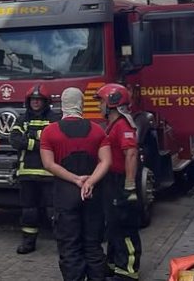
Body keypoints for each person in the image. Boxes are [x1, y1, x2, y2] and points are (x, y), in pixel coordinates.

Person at [40, 87, 112, 281]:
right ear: (81, 104)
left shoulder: (49, 132)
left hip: (65, 196)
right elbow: (106, 161)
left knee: (70, 247)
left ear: (62, 105)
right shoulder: (97, 130)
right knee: (93, 245)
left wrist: (75, 179)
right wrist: (90, 181)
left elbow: (48, 164)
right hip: (92, 195)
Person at [95, 83, 142, 281]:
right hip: (112, 181)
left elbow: (130, 153)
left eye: (102, 102)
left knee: (124, 226)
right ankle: (114, 265)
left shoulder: (123, 125)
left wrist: (129, 186)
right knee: (113, 224)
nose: (99, 106)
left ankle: (128, 271)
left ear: (112, 103)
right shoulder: (113, 124)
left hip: (121, 181)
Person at [9, 84, 61, 254]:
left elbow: (55, 141)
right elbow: (15, 140)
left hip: (49, 174)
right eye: (33, 100)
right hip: (27, 174)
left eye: (39, 100)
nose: (36, 103)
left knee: (54, 210)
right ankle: (28, 243)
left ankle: (63, 243)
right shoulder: (22, 119)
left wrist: (31, 139)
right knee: (28, 210)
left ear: (45, 102)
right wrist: (40, 142)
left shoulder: (54, 119)